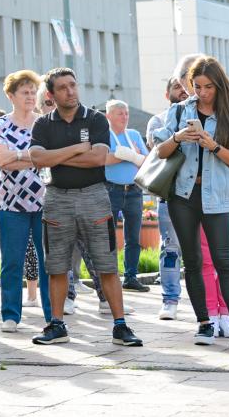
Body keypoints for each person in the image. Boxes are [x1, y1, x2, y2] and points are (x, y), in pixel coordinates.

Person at [28, 67, 142, 347]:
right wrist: (78, 150)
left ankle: (120, 326)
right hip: (57, 198)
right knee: (56, 265)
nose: (71, 91)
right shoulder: (43, 124)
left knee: (106, 264)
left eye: (73, 85)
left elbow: (99, 158)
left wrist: (55, 157)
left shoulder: (94, 119)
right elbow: (36, 158)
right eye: (64, 87)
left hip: (94, 195)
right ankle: (56, 325)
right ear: (51, 95)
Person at [152, 55, 229, 347]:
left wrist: (212, 145)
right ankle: (203, 323)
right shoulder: (178, 111)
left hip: (218, 197)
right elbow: (160, 152)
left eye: (207, 86)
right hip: (183, 197)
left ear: (219, 85)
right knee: (193, 262)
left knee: (225, 263)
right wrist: (178, 137)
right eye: (196, 86)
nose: (201, 92)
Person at [0, 71, 51, 332]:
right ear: (11, 95)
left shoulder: (46, 123)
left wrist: (17, 156)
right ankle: (11, 315)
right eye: (24, 92)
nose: (29, 96)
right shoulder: (0, 125)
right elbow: (1, 161)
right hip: (10, 203)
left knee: (49, 260)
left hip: (45, 201)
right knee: (12, 260)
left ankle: (53, 313)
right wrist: (32, 156)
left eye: (32, 91)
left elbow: (51, 158)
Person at [147, 71, 191, 320]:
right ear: (167, 94)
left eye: (186, 85)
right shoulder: (159, 120)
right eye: (176, 86)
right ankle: (170, 300)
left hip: (201, 194)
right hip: (171, 194)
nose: (182, 90)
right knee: (171, 248)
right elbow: (157, 150)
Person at [102, 99, 149, 291]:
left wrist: (125, 154)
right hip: (111, 190)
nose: (124, 117)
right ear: (109, 116)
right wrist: (131, 155)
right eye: (119, 113)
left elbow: (146, 162)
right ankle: (110, 277)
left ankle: (130, 277)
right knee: (108, 237)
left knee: (133, 237)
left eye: (126, 113)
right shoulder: (104, 135)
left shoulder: (134, 134)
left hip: (134, 191)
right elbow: (102, 159)